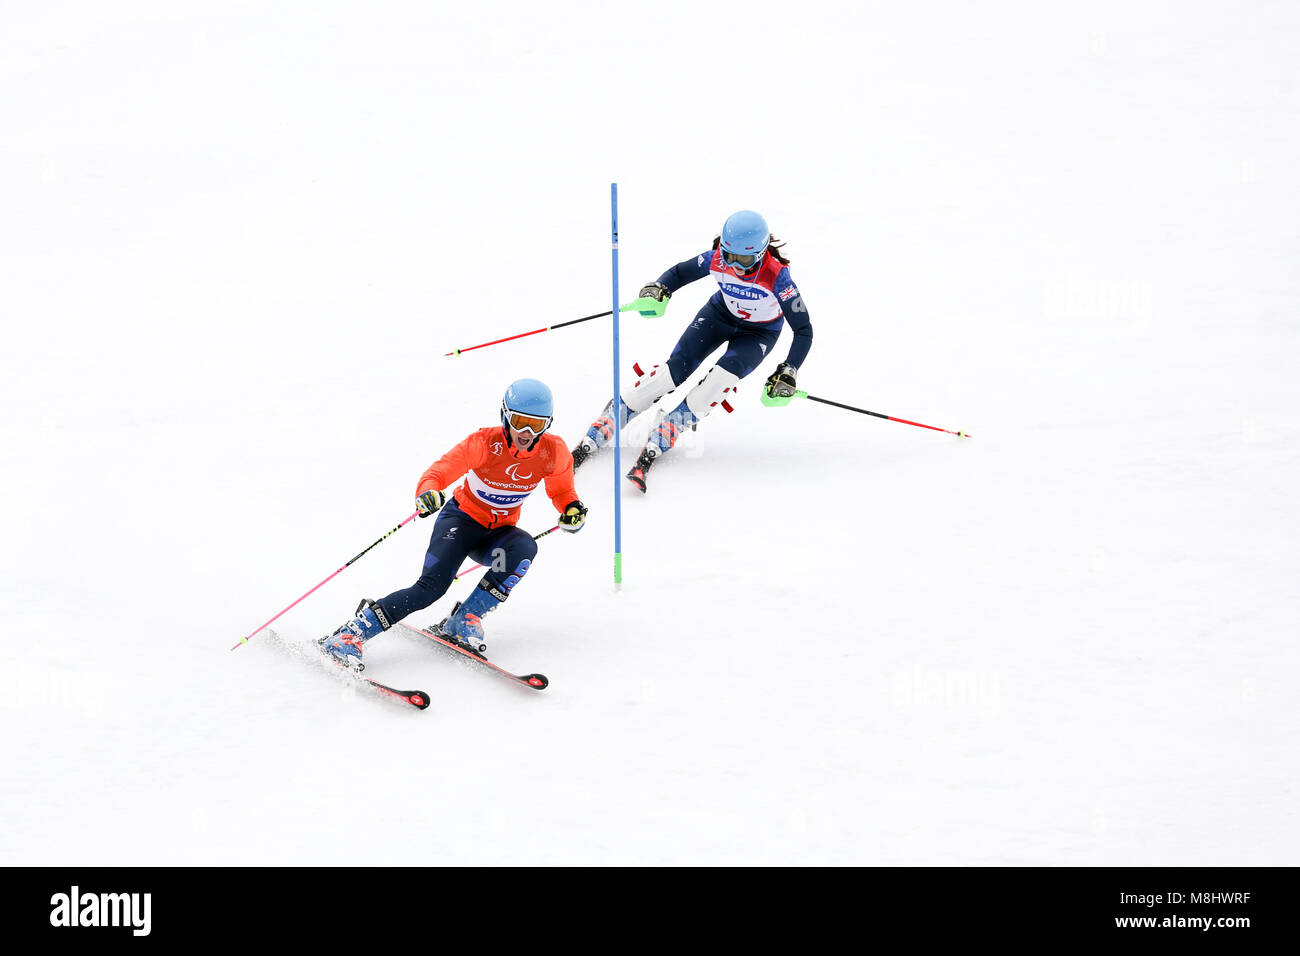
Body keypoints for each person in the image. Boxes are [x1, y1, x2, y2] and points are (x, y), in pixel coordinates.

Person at [320, 378, 588, 668]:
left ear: (548, 424)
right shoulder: (484, 443)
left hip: (495, 539)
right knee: (430, 589)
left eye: (536, 425)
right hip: (460, 525)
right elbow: (438, 473)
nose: (526, 432)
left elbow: (562, 491)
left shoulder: (553, 452)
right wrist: (428, 492)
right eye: (519, 422)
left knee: (523, 549)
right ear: (504, 416)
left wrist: (572, 509)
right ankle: (350, 634)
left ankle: (465, 618)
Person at [571, 210, 813, 491]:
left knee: (718, 384)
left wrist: (789, 370)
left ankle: (673, 425)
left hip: (759, 333)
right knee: (673, 371)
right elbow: (679, 273)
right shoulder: (717, 259)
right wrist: (660, 287)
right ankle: (619, 410)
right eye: (729, 255)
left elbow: (803, 330)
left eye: (744, 260)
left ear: (760, 254)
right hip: (719, 316)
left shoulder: (778, 278)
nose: (734, 265)